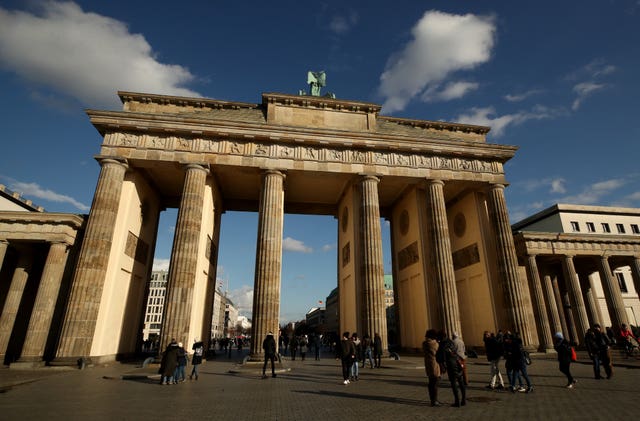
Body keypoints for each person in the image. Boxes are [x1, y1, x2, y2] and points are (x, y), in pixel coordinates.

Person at [437, 332, 466, 407]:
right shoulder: (451, 342)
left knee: (453, 383)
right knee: (460, 381)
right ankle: (463, 400)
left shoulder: (442, 345)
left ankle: (457, 401)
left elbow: (440, 357)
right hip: (458, 362)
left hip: (451, 365)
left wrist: (442, 365)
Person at [423, 329, 441, 407]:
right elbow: (437, 352)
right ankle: (434, 400)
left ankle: (433, 399)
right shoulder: (434, 344)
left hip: (429, 365)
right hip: (435, 365)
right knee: (434, 384)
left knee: (431, 383)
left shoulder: (425, 343)